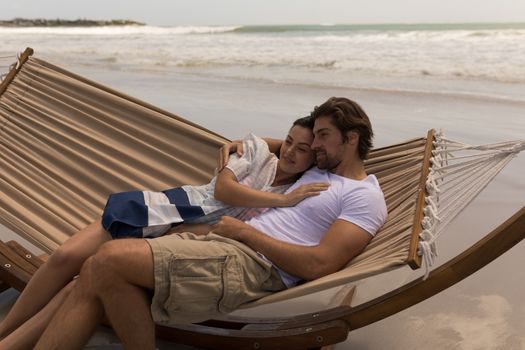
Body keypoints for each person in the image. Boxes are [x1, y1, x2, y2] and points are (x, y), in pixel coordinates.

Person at [33, 97, 388, 350]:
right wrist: (243, 145)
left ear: (351, 138)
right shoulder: (317, 167)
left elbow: (319, 264)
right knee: (97, 270)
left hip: (252, 264)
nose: (316, 144)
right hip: (220, 245)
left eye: (324, 135)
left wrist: (245, 232)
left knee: (108, 260)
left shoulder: (364, 196)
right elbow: (288, 147)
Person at [0, 117, 325, 350]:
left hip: (180, 241)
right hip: (166, 209)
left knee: (76, 288)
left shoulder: (303, 188)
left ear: (315, 157)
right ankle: (4, 330)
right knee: (65, 255)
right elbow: (225, 190)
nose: (292, 151)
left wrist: (288, 196)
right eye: (289, 141)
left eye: (303, 149)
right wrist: (280, 195)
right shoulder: (257, 154)